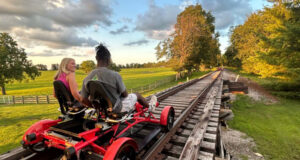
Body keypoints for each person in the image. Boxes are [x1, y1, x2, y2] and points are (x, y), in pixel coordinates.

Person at [81, 44, 149, 113]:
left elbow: (83, 99)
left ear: (96, 58)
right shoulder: (115, 75)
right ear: (108, 60)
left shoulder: (87, 78)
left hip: (101, 109)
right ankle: (149, 108)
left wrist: (95, 107)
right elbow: (125, 95)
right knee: (137, 95)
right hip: (117, 108)